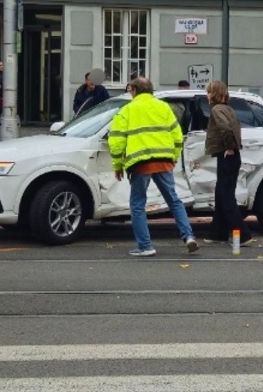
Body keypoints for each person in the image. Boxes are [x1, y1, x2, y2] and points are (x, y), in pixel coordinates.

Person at [108, 76, 199, 257]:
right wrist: (172, 157)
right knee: (173, 200)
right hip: (163, 159)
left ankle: (145, 246)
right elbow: (177, 135)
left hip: (140, 163)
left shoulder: (127, 110)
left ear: (134, 90)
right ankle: (188, 236)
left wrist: (118, 165)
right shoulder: (164, 107)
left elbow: (116, 140)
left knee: (137, 205)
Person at [203, 80, 252, 246]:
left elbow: (225, 128)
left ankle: (243, 234)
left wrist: (229, 148)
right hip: (232, 156)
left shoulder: (216, 109)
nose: (207, 95)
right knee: (221, 194)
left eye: (209, 92)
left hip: (227, 156)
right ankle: (218, 233)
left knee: (226, 196)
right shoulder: (228, 108)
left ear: (215, 93)